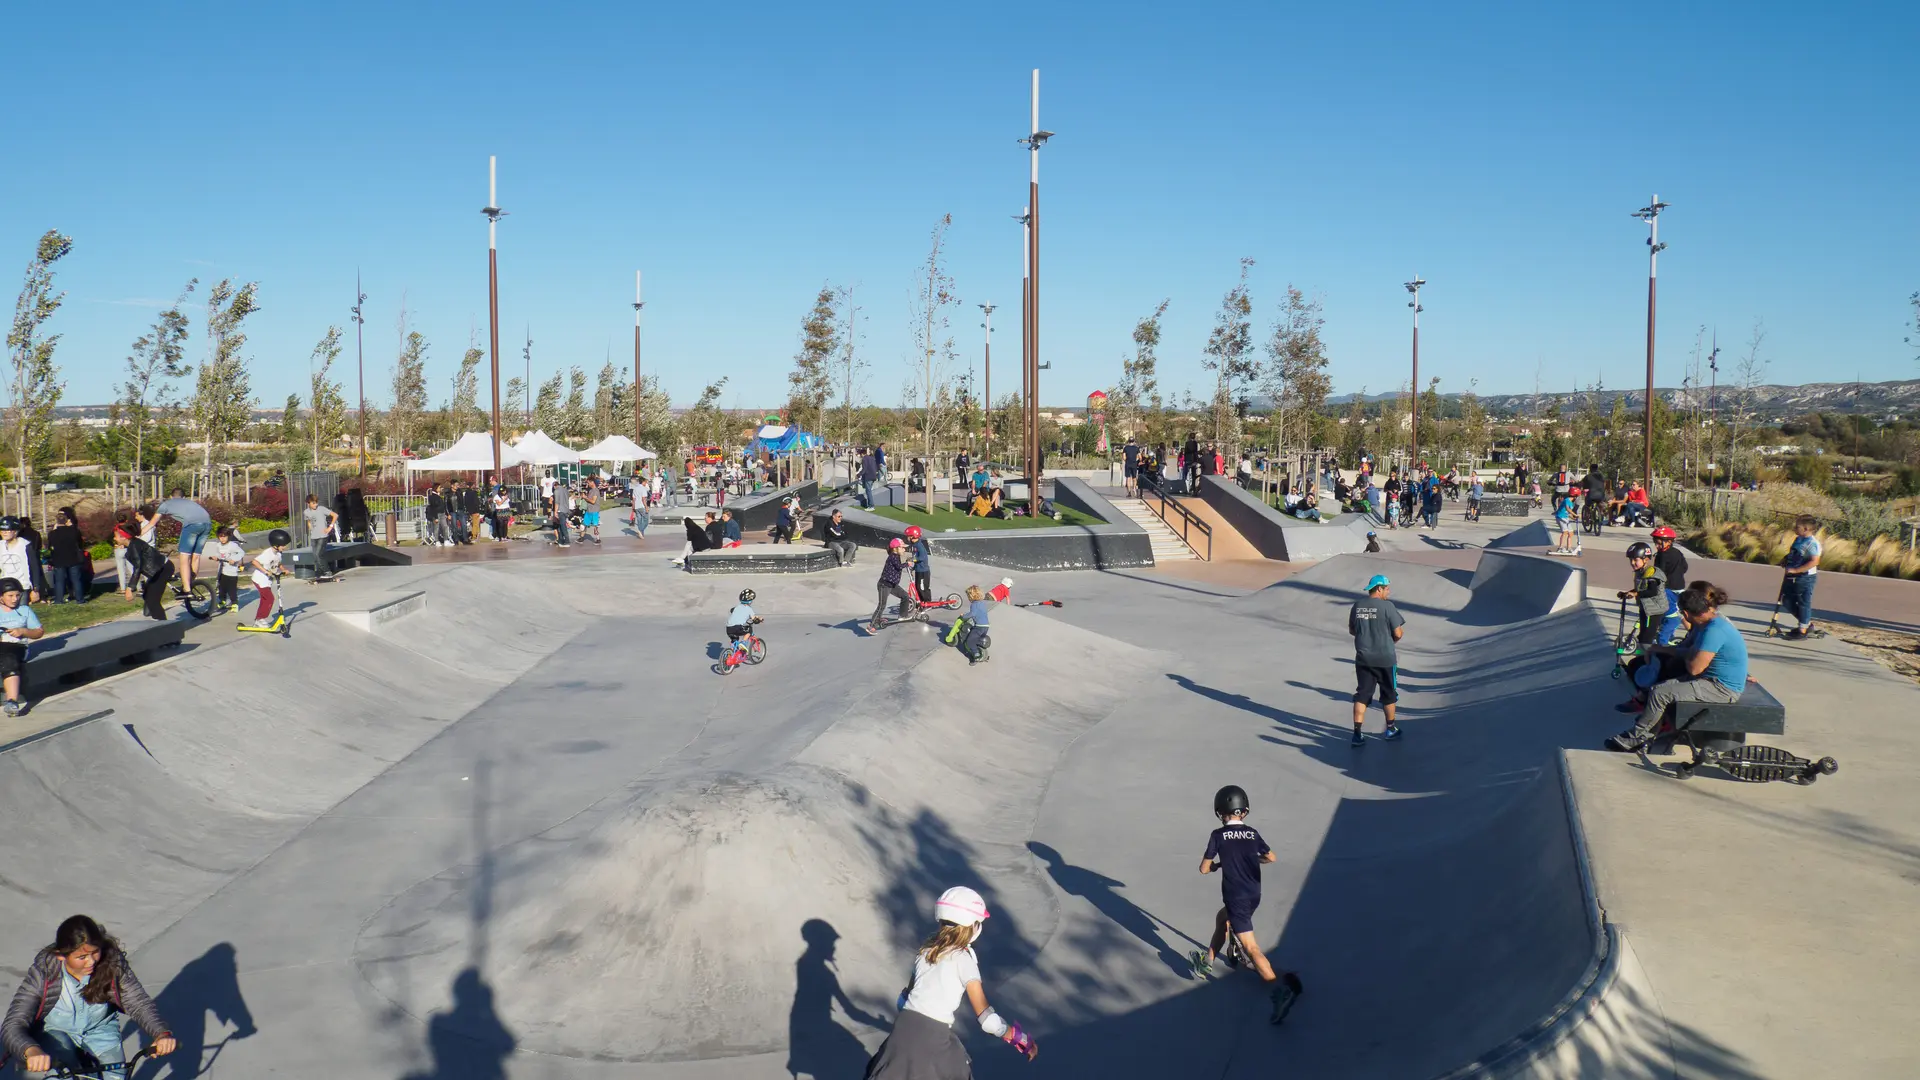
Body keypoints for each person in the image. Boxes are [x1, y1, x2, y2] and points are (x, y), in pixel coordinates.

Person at [863, 886, 1037, 1077]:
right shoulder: (964, 960)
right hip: (933, 1038)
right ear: (973, 926)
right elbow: (988, 1021)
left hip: (901, 1032)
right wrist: (1019, 1038)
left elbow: (903, 1001)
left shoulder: (926, 952)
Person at [2, 915, 176, 1076]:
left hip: (101, 1030)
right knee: (62, 1076)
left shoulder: (112, 963)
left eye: (95, 952)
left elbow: (138, 1003)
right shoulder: (44, 972)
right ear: (61, 956)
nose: (91, 961)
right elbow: (13, 1024)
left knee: (117, 1076)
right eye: (82, 957)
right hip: (55, 1033)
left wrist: (161, 1033)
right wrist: (31, 1050)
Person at [1189, 786, 1305, 1024]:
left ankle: (1279, 991)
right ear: (1244, 810)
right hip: (1254, 894)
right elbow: (1271, 857)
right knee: (1222, 919)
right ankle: (1207, 962)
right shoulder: (1252, 833)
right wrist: (1251, 860)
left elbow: (1203, 869)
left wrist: (1216, 866)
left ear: (1220, 811)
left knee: (1251, 948)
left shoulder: (1218, 835)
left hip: (1236, 897)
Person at [1607, 584, 1749, 751]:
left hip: (1721, 688)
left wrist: (1688, 654)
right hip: (1710, 680)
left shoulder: (1714, 631)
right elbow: (1690, 653)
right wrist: (1670, 651)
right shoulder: (1710, 624)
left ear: (1686, 614)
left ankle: (1636, 737)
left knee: (1660, 694)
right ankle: (1647, 732)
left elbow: (1695, 668)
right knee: (1659, 688)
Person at [1349, 574, 1405, 745]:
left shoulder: (1357, 606)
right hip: (1385, 659)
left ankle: (1357, 734)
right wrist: (1389, 641)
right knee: (1389, 694)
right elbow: (1398, 633)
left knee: (1362, 695)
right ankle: (1390, 729)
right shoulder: (1388, 606)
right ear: (1379, 589)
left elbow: (1352, 630)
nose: (1388, 592)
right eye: (1387, 589)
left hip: (1363, 659)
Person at [0, 577, 43, 717]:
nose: (15, 599)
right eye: (10, 596)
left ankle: (12, 701)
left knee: (8, 660)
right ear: (1, 597)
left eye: (17, 595)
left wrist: (23, 631)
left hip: (17, 647)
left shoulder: (24, 610)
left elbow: (39, 632)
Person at [155, 488, 211, 595]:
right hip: (207, 524)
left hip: (192, 526)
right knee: (196, 557)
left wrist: (138, 535)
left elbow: (152, 523)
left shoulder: (167, 504)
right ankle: (191, 583)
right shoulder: (190, 503)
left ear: (171, 496)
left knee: (184, 558)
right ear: (184, 497)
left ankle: (186, 589)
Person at [1617, 541, 1669, 652]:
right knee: (1642, 637)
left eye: (1635, 560)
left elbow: (1652, 591)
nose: (1632, 563)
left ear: (1645, 559)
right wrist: (1627, 593)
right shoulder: (1640, 572)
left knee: (1646, 639)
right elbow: (1641, 589)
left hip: (1653, 610)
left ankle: (1651, 658)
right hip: (1645, 608)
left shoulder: (1651, 572)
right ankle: (1643, 656)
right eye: (1631, 560)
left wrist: (1635, 594)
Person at [113, 526, 172, 621]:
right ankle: (154, 613)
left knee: (153, 600)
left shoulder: (134, 546)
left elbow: (138, 567)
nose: (114, 538)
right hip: (156, 571)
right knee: (147, 595)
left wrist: (130, 587)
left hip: (162, 569)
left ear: (124, 537)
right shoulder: (132, 544)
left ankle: (163, 624)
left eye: (116, 536)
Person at [1779, 514, 1822, 639]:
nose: (1794, 528)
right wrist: (1786, 560)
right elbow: (1794, 553)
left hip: (1805, 577)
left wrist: (1796, 570)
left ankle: (1802, 630)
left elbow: (1814, 561)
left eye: (1797, 527)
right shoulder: (1798, 539)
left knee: (1803, 602)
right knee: (1787, 601)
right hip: (1792, 576)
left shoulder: (1812, 543)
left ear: (1806, 529)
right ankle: (1806, 624)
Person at [868, 538, 917, 633]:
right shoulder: (892, 557)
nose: (904, 550)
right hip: (884, 585)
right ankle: (871, 625)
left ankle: (903, 616)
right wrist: (907, 564)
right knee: (882, 605)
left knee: (905, 596)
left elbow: (898, 566)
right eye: (902, 548)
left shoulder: (896, 556)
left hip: (892, 585)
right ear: (895, 549)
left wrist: (906, 563)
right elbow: (899, 566)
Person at [245, 530, 290, 630]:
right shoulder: (267, 553)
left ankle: (258, 620)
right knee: (269, 599)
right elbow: (254, 562)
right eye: (283, 545)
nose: (285, 547)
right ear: (276, 545)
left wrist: (283, 569)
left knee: (265, 599)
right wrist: (265, 571)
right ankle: (260, 620)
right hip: (260, 579)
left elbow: (278, 563)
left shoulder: (278, 553)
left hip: (267, 580)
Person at [44, 508, 86, 605]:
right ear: (67, 520)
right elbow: (80, 542)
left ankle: (59, 599)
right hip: (73, 558)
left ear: (57, 521)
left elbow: (49, 546)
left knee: (59, 581)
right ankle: (80, 599)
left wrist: (54, 529)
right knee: (76, 580)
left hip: (59, 559)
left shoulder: (52, 534)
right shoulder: (74, 531)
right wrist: (71, 526)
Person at [0, 518, 45, 607]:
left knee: (21, 611)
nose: (4, 533)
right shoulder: (1, 545)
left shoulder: (25, 545)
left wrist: (35, 589)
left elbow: (34, 567)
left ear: (15, 532)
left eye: (8, 530)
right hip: (4, 586)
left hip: (22, 587)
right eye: (2, 530)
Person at [210, 525, 245, 614]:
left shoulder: (233, 545)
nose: (222, 539)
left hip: (232, 572)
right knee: (222, 588)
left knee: (231, 589)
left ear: (228, 536)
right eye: (220, 537)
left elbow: (241, 553)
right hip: (222, 571)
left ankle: (234, 604)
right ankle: (222, 601)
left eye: (224, 536)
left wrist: (234, 559)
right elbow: (218, 554)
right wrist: (215, 557)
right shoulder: (218, 545)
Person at [303, 493, 339, 577]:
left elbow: (335, 515)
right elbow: (309, 521)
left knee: (319, 554)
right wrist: (311, 529)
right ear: (308, 503)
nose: (316, 505)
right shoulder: (306, 512)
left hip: (322, 536)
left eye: (316, 502)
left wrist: (330, 527)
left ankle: (327, 571)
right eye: (313, 503)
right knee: (315, 556)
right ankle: (320, 572)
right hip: (313, 536)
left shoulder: (322, 509)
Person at [956, 584, 990, 664]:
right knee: (975, 639)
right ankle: (981, 652)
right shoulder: (982, 603)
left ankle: (976, 655)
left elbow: (972, 614)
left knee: (970, 642)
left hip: (979, 627)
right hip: (986, 626)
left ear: (972, 596)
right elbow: (979, 613)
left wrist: (963, 616)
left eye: (968, 596)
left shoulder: (974, 604)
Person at [725, 588, 762, 662]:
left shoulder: (736, 607)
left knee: (734, 639)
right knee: (748, 631)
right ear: (750, 601)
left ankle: (731, 654)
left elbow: (732, 610)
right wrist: (759, 619)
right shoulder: (749, 609)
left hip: (728, 628)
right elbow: (754, 619)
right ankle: (743, 643)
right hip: (737, 627)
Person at [1651, 525, 1688, 592]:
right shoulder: (1677, 552)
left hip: (1666, 588)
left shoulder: (1662, 555)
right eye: (1655, 543)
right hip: (1680, 586)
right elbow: (1685, 567)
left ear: (1669, 542)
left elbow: (1659, 572)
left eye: (1659, 543)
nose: (1656, 546)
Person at [1551, 489, 1581, 556]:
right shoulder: (1567, 500)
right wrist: (1575, 514)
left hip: (1566, 518)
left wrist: (1573, 518)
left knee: (1571, 533)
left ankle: (1569, 548)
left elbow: (1568, 513)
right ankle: (1560, 548)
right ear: (1575, 496)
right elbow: (1568, 509)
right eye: (1577, 496)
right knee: (1565, 532)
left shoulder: (1571, 502)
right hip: (1561, 517)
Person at [906, 525, 931, 600]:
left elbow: (922, 557)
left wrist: (912, 559)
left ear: (913, 536)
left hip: (923, 571)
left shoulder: (919, 546)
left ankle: (927, 602)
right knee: (917, 587)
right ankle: (920, 602)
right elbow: (916, 559)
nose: (907, 537)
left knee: (922, 588)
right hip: (918, 570)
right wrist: (913, 568)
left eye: (908, 536)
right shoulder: (914, 545)